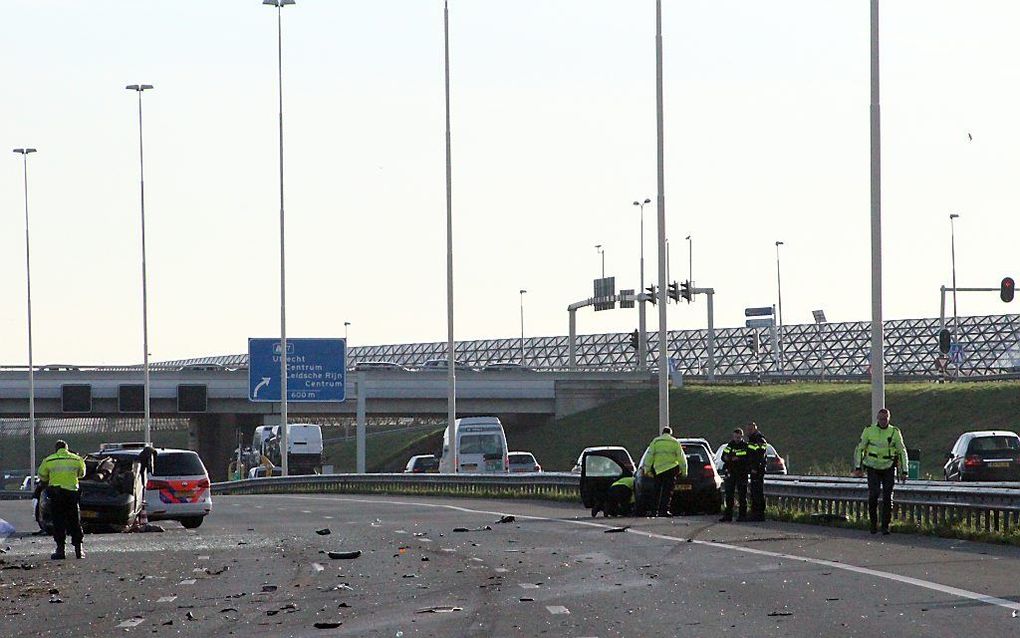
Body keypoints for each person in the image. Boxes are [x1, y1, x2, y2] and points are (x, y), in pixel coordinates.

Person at [852, 408, 908, 535]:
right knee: (874, 495)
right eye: (881, 419)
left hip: (888, 467)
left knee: (888, 497)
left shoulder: (894, 432)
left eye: (885, 419)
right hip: (872, 467)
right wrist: (858, 467)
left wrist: (904, 470)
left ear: (889, 419)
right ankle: (873, 523)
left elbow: (902, 451)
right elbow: (860, 448)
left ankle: (885, 525)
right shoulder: (869, 430)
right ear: (878, 419)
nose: (883, 421)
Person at [37, 440, 86, 560]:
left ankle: (60, 550)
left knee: (58, 522)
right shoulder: (77, 459)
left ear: (56, 449)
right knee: (75, 521)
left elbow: (42, 475)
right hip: (72, 494)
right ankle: (79, 550)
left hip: (56, 494)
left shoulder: (49, 460)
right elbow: (82, 474)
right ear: (67, 448)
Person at [641, 426, 687, 517]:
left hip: (658, 470)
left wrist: (647, 470)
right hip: (671, 470)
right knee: (667, 492)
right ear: (670, 433)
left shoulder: (656, 442)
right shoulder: (675, 442)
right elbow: (682, 458)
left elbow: (649, 456)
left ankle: (654, 511)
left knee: (656, 491)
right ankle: (664, 510)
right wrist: (684, 471)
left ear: (662, 433)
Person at [719, 428, 750, 522]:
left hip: (741, 473)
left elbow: (746, 458)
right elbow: (723, 456)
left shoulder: (745, 446)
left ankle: (742, 516)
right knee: (729, 495)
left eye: (738, 437)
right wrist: (729, 458)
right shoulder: (730, 445)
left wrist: (737, 458)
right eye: (735, 437)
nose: (737, 438)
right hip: (731, 472)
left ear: (741, 436)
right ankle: (728, 515)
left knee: (742, 496)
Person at [746, 421, 768, 521]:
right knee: (754, 492)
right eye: (748, 429)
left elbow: (759, 455)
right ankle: (755, 513)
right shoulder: (752, 439)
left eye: (750, 429)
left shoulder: (759, 439)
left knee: (758, 492)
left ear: (755, 428)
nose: (748, 431)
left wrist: (755, 467)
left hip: (758, 470)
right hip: (754, 469)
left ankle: (759, 514)